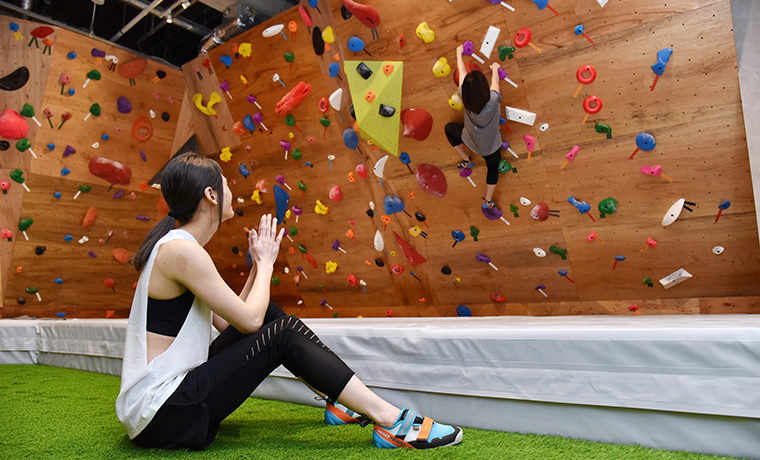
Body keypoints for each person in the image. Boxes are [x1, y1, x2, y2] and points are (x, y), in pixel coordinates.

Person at [115, 152, 463, 451]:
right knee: (280, 333)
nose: (231, 188)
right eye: (225, 182)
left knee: (270, 314)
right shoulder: (181, 251)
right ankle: (390, 420)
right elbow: (249, 325)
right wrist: (266, 265)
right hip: (163, 412)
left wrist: (254, 269)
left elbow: (232, 321)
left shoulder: (180, 248)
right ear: (210, 195)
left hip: (167, 406)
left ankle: (339, 402)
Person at [445, 44, 504, 209]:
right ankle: (487, 200)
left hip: (470, 140)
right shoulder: (492, 100)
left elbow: (462, 73)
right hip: (491, 147)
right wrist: (494, 69)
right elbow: (495, 83)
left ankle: (466, 159)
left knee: (449, 129)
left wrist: (458, 53)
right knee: (492, 169)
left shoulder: (464, 96)